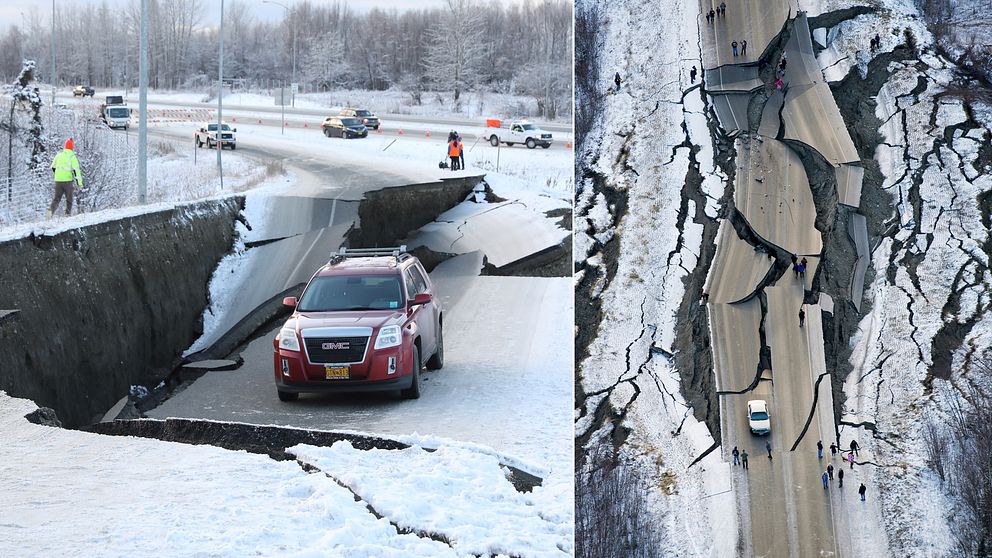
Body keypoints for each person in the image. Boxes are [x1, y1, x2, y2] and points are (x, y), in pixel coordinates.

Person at [48, 138, 84, 218]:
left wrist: (58, 174)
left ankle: (49, 214)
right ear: (72, 148)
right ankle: (67, 215)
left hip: (58, 181)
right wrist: (79, 184)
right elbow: (76, 171)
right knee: (69, 199)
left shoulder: (59, 155)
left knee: (56, 199)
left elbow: (53, 167)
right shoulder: (72, 157)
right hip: (68, 182)